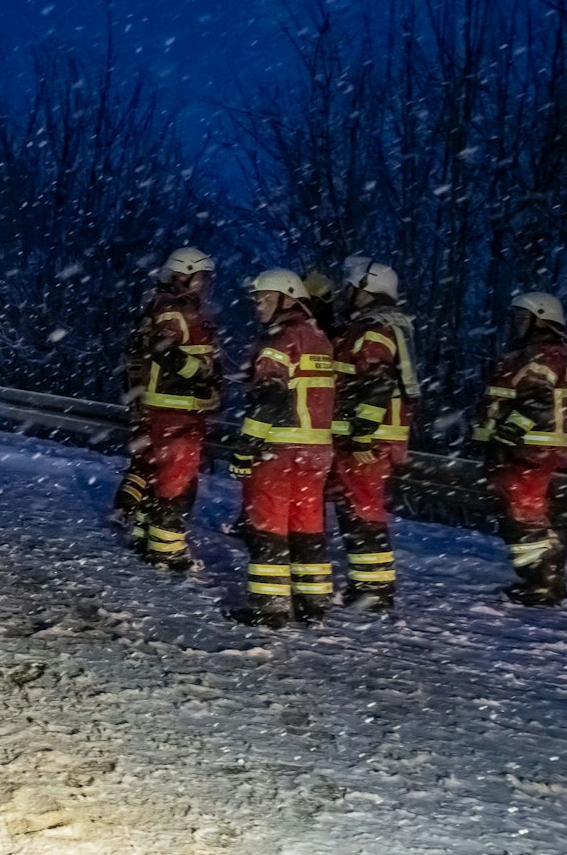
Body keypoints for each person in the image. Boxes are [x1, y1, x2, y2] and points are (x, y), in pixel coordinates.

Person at [229, 269, 337, 626]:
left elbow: (271, 394)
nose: (259, 305)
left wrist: (246, 442)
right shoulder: (320, 338)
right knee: (307, 526)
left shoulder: (278, 340)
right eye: (257, 299)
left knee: (267, 527)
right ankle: (313, 602)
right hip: (316, 451)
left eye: (266, 298)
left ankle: (270, 607)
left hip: (278, 449)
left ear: (288, 298)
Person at [115, 248, 223, 569]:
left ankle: (143, 533)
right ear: (184, 274)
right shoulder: (173, 310)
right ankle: (166, 550)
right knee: (178, 483)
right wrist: (202, 374)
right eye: (200, 278)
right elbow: (165, 351)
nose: (203, 285)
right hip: (177, 411)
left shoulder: (174, 307)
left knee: (158, 474)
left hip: (170, 410)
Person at [472, 292, 567, 606]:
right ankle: (542, 579)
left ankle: (541, 583)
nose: (516, 324)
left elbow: (537, 402)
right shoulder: (543, 352)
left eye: (522, 317)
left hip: (528, 450)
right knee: (525, 515)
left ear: (541, 318)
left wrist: (507, 433)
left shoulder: (542, 354)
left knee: (524, 517)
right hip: (528, 449)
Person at [330, 257, 419, 610]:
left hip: (367, 438)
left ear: (365, 289)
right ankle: (370, 585)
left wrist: (363, 433)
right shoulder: (385, 326)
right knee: (358, 509)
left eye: (350, 289)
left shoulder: (372, 330)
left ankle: (373, 590)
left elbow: (376, 383)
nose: (345, 294)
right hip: (374, 435)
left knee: (362, 511)